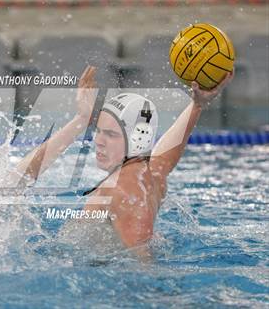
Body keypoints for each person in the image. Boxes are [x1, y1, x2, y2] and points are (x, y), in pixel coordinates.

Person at [17, 65, 235, 249]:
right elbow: (164, 159)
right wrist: (197, 105)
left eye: (110, 134)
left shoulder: (123, 191)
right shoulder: (151, 176)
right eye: (98, 131)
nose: (98, 142)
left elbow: (144, 267)